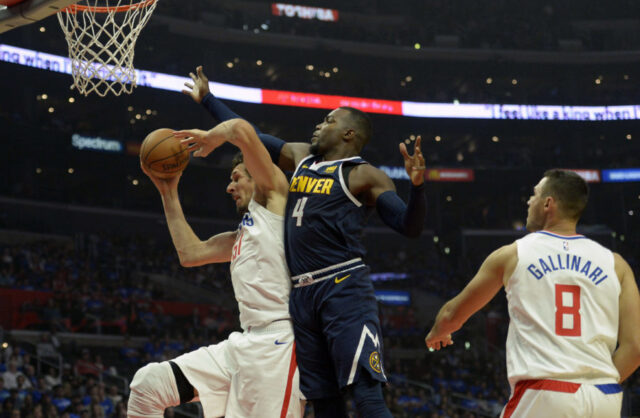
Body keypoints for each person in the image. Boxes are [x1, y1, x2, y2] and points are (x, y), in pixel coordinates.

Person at [179, 66, 427, 417]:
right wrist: (208, 100)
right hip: (302, 297)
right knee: (325, 404)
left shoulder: (363, 175)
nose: (319, 124)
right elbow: (253, 136)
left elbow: (408, 225)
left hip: (342, 287)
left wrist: (417, 188)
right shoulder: (299, 158)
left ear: (349, 134)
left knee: (366, 396)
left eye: (328, 121)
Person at [425, 169, 640, 417]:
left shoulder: (514, 254)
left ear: (548, 203)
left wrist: (438, 331)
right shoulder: (616, 264)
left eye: (534, 194)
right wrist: (592, 383)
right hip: (605, 397)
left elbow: (452, 314)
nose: (529, 201)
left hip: (545, 391)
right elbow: (634, 349)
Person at [127, 118, 302, 418]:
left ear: (258, 176)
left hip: (277, 347)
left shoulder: (275, 200)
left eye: (236, 177)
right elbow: (190, 253)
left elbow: (242, 130)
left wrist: (210, 137)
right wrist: (168, 191)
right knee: (148, 385)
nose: (229, 186)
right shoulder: (241, 235)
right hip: (243, 343)